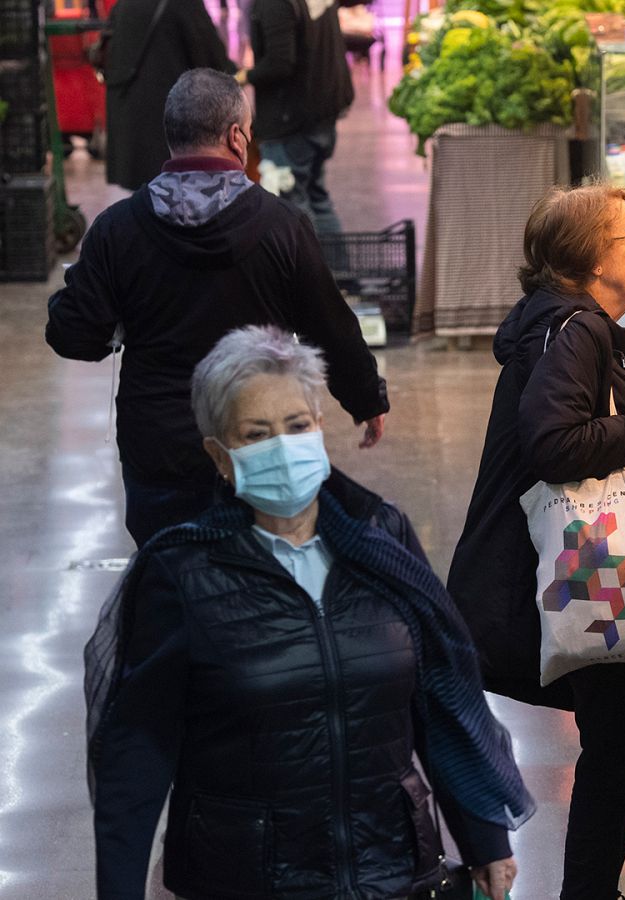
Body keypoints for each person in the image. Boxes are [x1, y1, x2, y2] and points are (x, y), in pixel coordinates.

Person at [84, 326, 528, 900]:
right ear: (220, 457)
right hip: (244, 880)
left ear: (320, 429)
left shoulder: (382, 541)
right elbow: (137, 752)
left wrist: (485, 837)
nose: (283, 446)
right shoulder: (181, 573)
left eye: (296, 426)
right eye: (256, 433)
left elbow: (439, 698)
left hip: (390, 870)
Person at [448, 185, 625, 899]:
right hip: (582, 573)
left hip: (570, 573)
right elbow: (551, 442)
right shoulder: (579, 331)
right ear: (593, 261)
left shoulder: (567, 326)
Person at [45, 69, 387, 549]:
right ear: (235, 136)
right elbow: (329, 328)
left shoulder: (116, 229)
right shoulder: (282, 226)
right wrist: (366, 399)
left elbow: (73, 335)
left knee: (169, 588)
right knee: (258, 590)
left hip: (158, 447)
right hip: (256, 443)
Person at [236, 0, 356, 235]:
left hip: (290, 120)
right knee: (317, 200)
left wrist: (242, 77)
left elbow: (279, 63)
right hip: (320, 112)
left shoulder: (275, 5)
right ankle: (339, 272)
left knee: (292, 209)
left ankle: (310, 271)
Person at [101, 0, 235, 191]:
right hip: (169, 121)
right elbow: (211, 57)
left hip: (130, 117)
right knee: (176, 199)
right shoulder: (183, 4)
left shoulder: (123, 4)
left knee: (146, 198)